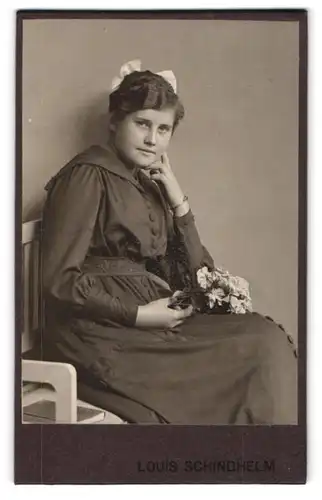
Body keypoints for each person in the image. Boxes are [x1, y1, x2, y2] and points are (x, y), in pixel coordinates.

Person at [41, 60, 297, 424]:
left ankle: (263, 460)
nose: (152, 139)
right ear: (115, 121)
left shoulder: (147, 183)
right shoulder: (88, 174)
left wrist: (178, 201)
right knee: (255, 350)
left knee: (262, 337)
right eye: (142, 124)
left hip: (145, 318)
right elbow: (57, 281)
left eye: (163, 129)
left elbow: (196, 272)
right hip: (97, 333)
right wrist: (139, 315)